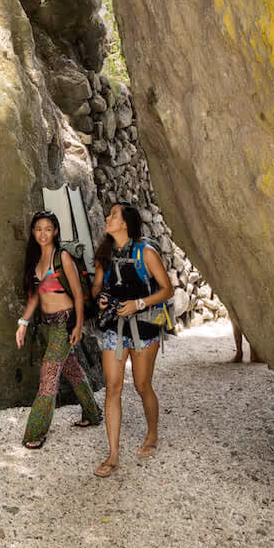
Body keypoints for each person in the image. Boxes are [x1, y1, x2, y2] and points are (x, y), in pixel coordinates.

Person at [91, 201, 173, 476]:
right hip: (115, 328)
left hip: (145, 328)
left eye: (113, 215)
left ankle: (152, 434)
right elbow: (97, 290)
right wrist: (102, 300)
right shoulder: (104, 254)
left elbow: (167, 290)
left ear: (125, 223)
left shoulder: (146, 253)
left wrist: (138, 304)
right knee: (112, 389)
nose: (108, 217)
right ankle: (113, 455)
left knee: (141, 385)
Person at [15, 211, 102, 449]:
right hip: (48, 325)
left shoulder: (62, 257)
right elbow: (34, 296)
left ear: (55, 232)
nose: (43, 234)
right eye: (38, 229)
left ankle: (35, 432)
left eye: (47, 229)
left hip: (65, 324)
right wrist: (23, 323)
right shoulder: (34, 260)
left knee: (49, 376)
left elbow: (77, 296)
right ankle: (92, 414)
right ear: (33, 232)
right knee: (72, 369)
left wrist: (77, 326)